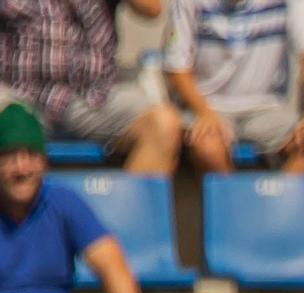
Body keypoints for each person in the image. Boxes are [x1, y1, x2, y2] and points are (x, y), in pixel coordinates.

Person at [0, 104, 142, 293]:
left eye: (31, 156)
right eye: (10, 158)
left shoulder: (63, 203)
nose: (21, 168)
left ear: (44, 162)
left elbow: (115, 269)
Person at [0, 0, 179, 173]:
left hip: (91, 97)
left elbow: (152, 9)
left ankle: (124, 203)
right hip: (20, 95)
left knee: (162, 125)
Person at [163, 0, 304, 175]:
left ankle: (274, 200)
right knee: (207, 147)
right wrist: (204, 113)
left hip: (267, 108)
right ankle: (232, 201)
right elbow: (176, 68)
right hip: (208, 106)